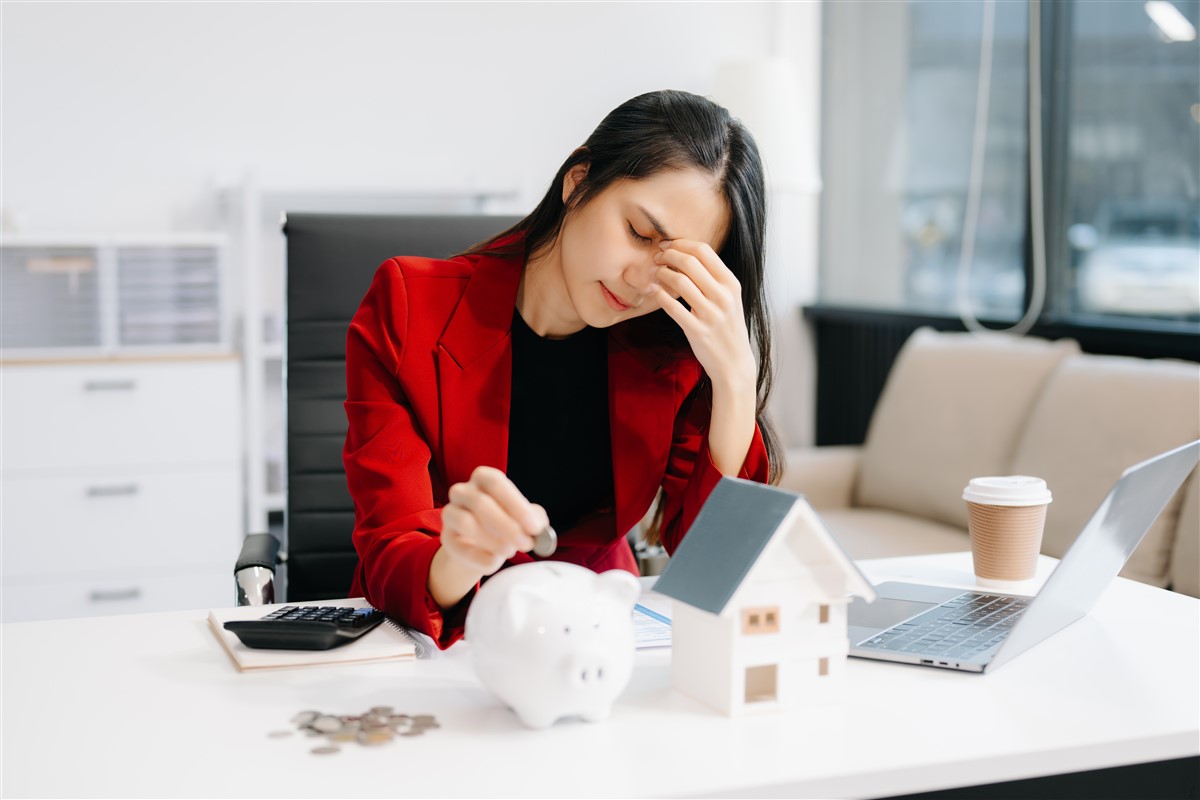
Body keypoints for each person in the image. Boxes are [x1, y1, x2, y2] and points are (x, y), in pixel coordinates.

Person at [343, 89, 782, 649]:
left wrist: (736, 381)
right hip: (438, 638)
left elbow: (720, 570)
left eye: (676, 268)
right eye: (640, 234)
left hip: (594, 626)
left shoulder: (672, 347)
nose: (641, 281)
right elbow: (390, 549)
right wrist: (460, 557)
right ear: (579, 182)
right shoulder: (409, 307)